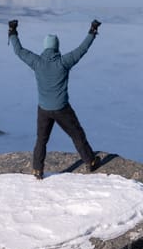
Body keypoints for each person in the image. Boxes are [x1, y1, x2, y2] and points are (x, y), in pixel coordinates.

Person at [8, 18, 107, 179]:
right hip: (62, 108)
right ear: (57, 47)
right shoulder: (63, 62)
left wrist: (12, 32)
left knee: (41, 140)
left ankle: (37, 169)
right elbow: (82, 49)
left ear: (45, 47)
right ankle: (90, 162)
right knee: (77, 135)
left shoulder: (37, 62)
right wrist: (92, 32)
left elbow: (19, 51)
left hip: (44, 109)